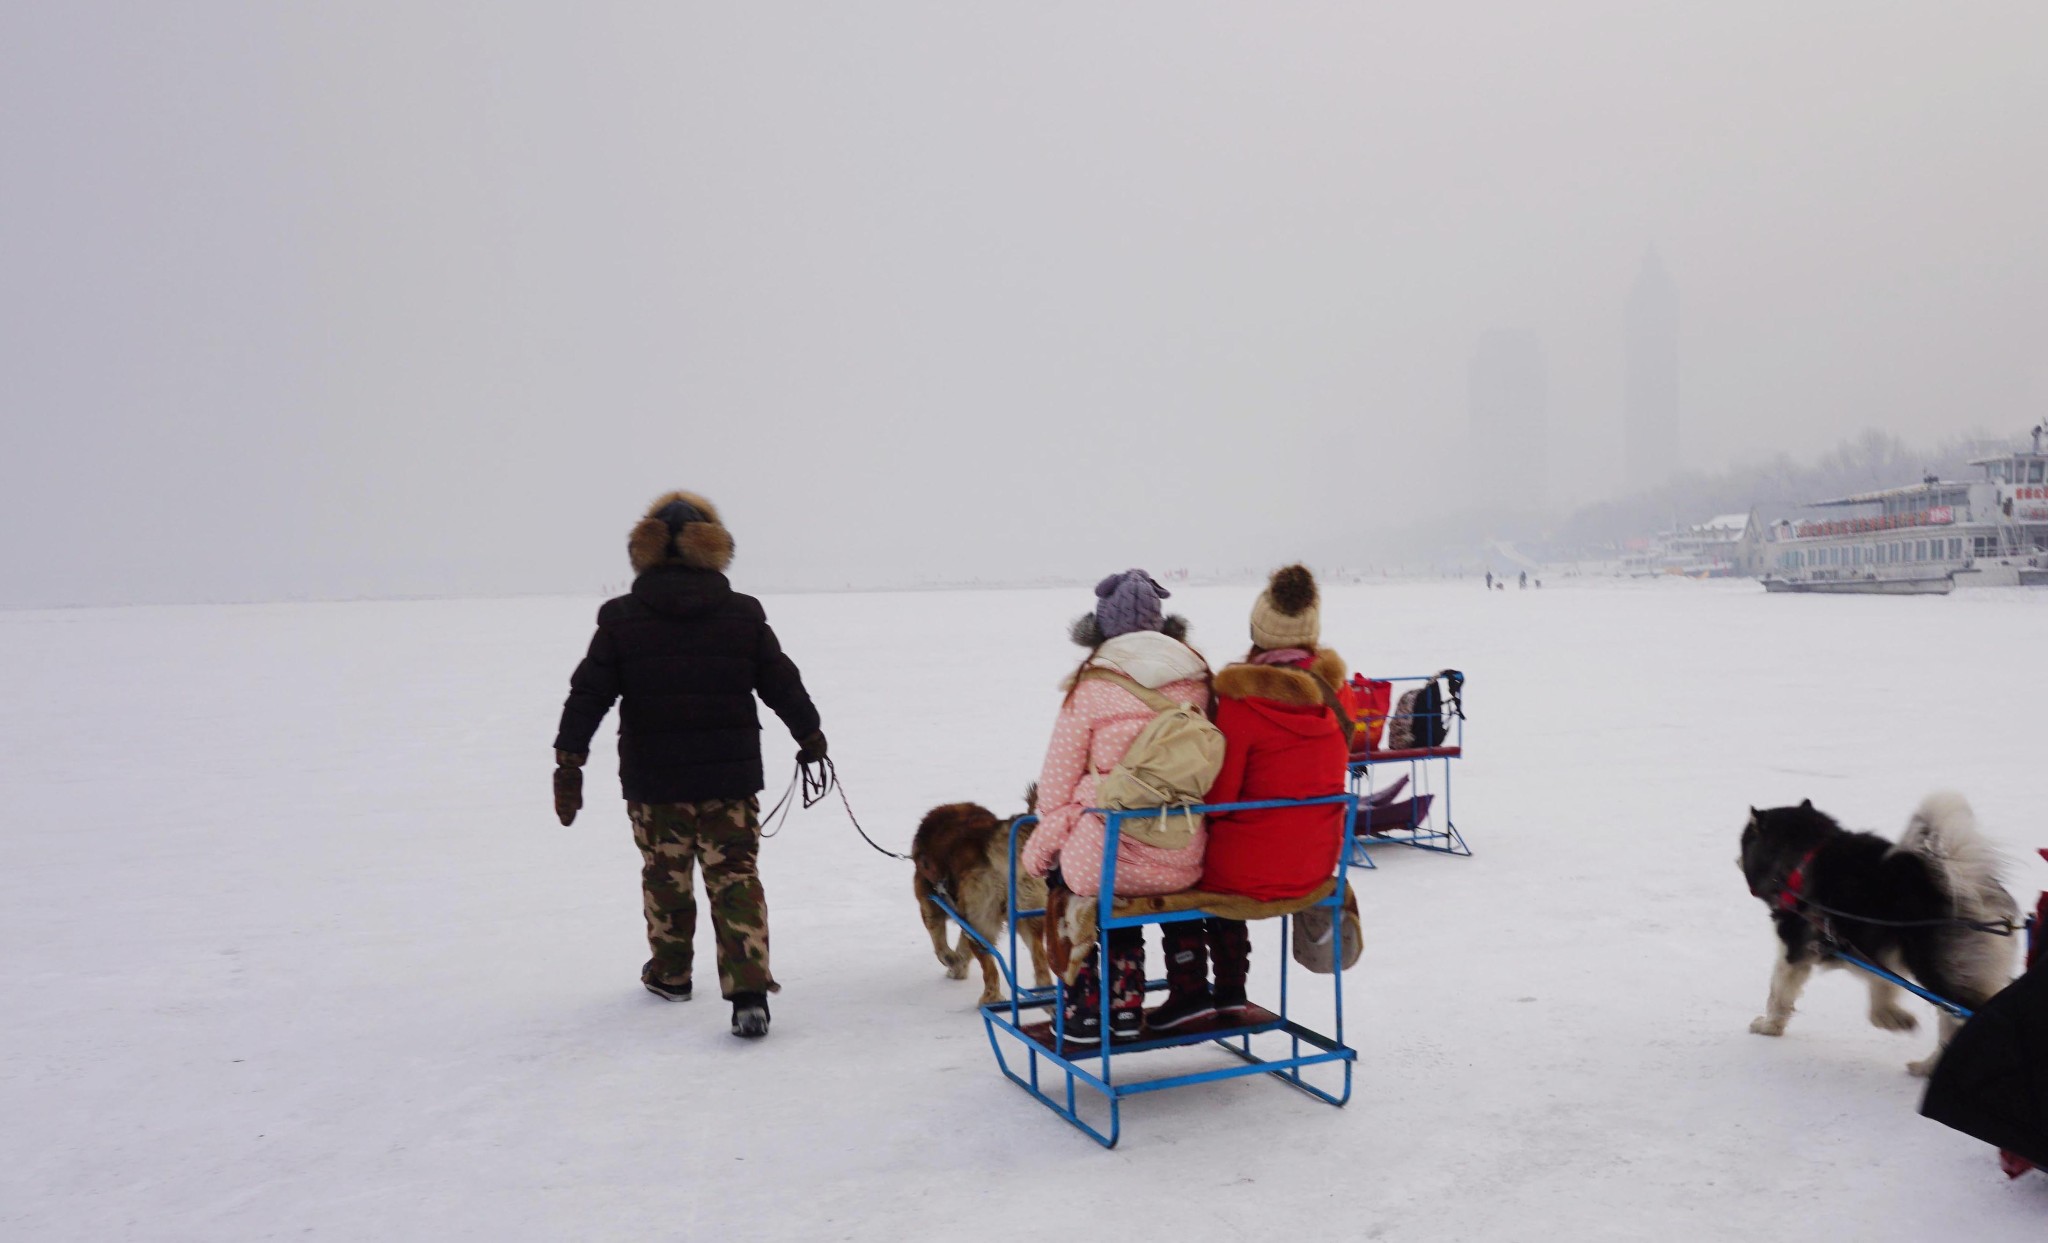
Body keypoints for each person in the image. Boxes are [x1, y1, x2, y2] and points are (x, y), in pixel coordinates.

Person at [551, 491, 824, 1039]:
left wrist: (570, 758)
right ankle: (748, 993)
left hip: (655, 785)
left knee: (665, 876)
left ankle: (672, 974)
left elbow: (589, 693)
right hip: (730, 781)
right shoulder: (742, 614)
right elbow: (781, 681)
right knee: (735, 878)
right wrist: (810, 735)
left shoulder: (621, 618)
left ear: (646, 551)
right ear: (714, 548)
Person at [1149, 564, 1351, 1032]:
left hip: (1249, 873)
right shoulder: (1338, 696)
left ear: (1257, 630)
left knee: (1185, 872)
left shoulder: (1242, 704)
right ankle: (1232, 991)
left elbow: (1219, 798)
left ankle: (1191, 990)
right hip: (1317, 866)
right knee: (1230, 863)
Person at [1020, 570, 1211, 1045]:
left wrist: (1056, 832)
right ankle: (1176, 991)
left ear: (1100, 631)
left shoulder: (1090, 688)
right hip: (1185, 850)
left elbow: (1055, 792)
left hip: (1110, 858)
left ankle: (1089, 1010)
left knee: (1076, 879)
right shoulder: (1198, 680)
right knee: (1115, 867)